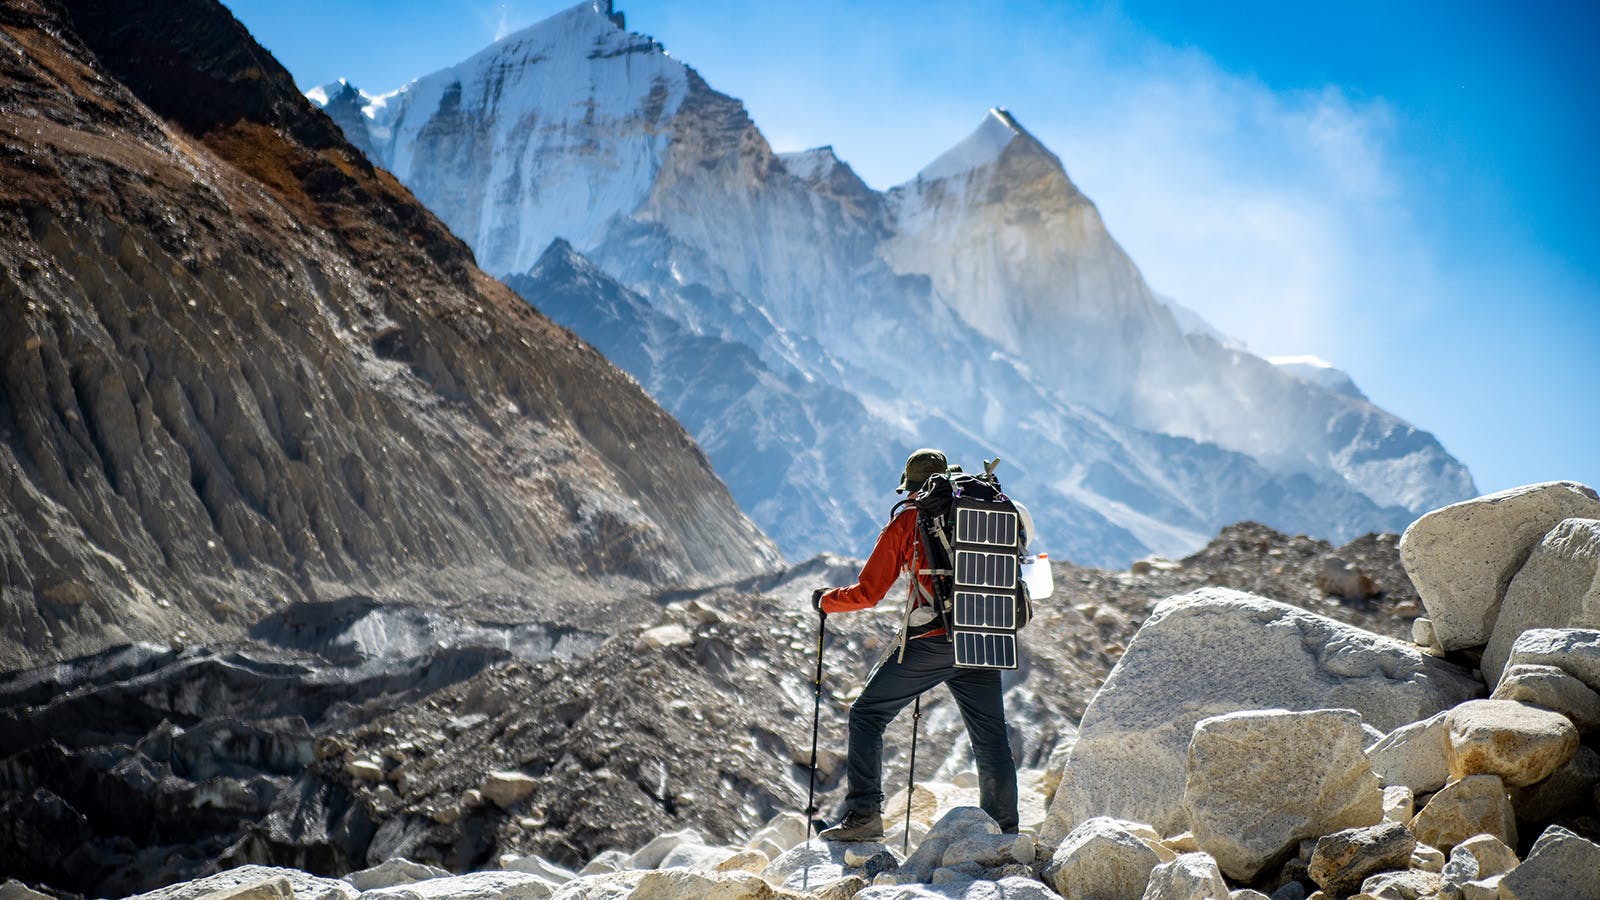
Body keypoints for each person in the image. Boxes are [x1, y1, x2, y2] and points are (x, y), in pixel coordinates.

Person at [811, 448, 1019, 841]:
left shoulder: (911, 516)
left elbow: (869, 592)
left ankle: (864, 816)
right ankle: (1004, 830)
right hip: (984, 635)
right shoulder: (982, 510)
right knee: (991, 737)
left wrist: (825, 600)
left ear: (911, 486)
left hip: (933, 641)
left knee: (867, 714)